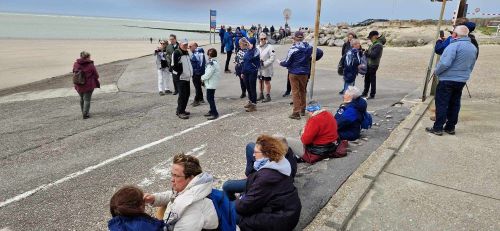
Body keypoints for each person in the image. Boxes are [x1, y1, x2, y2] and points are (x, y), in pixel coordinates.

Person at [234, 135, 301, 231]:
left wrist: (237, 201)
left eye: (256, 152)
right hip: (288, 212)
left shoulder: (266, 177)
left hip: (282, 219)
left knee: (230, 211)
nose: (253, 155)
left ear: (266, 154)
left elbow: (244, 206)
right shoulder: (280, 162)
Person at [144, 153, 218, 230]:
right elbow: (174, 195)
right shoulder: (189, 189)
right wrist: (154, 198)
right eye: (172, 174)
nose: (172, 179)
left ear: (191, 178)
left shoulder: (193, 206)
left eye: (177, 176)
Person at [426, 25, 477, 136]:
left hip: (447, 80)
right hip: (461, 81)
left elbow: (445, 63)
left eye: (453, 33)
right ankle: (450, 127)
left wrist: (436, 71)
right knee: (455, 104)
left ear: (455, 35)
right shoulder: (473, 47)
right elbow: (472, 65)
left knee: (442, 104)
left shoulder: (453, 46)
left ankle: (438, 128)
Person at [222, 135, 297, 201]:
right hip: (265, 173)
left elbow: (245, 205)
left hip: (259, 180)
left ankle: (231, 205)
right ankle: (248, 173)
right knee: (250, 146)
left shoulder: (270, 173)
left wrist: (241, 200)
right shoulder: (285, 155)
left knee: (227, 186)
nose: (254, 155)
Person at [279, 31, 323, 120]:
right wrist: (312, 58)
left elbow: (287, 62)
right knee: (303, 91)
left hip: (294, 73)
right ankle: (302, 109)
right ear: (302, 38)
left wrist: (280, 63)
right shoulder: (308, 47)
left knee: (295, 92)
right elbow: (320, 52)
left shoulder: (293, 49)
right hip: (304, 72)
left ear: (295, 38)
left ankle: (296, 112)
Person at [73, 51, 100, 119]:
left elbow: (74, 71)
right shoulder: (90, 65)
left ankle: (83, 112)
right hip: (88, 85)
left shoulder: (76, 64)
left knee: (82, 98)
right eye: (89, 56)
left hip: (78, 84)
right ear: (87, 57)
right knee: (87, 99)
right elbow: (96, 75)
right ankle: (85, 114)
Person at [171, 40, 193, 119]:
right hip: (180, 78)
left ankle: (182, 110)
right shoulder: (176, 53)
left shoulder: (186, 52)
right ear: (180, 45)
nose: (185, 46)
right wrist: (181, 73)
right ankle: (180, 112)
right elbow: (173, 65)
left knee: (187, 94)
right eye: (183, 45)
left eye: (186, 44)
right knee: (182, 95)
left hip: (186, 77)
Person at [362, 30, 384, 99]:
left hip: (373, 65)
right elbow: (371, 53)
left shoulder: (378, 45)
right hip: (369, 64)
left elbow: (374, 55)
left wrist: (366, 53)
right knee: (367, 79)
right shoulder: (374, 44)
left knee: (372, 80)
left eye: (371, 38)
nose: (370, 39)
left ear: (375, 36)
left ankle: (372, 94)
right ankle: (365, 93)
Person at [242, 37, 261, 112]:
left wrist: (250, 49)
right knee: (248, 87)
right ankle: (250, 101)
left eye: (249, 43)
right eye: (247, 43)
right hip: (246, 71)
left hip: (252, 72)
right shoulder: (247, 50)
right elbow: (244, 62)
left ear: (253, 44)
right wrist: (243, 72)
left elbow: (250, 58)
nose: (248, 44)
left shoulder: (256, 51)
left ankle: (254, 105)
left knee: (252, 88)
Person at [201, 48, 221, 120]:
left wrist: (202, 78)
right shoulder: (214, 61)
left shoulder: (212, 63)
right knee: (210, 97)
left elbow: (208, 74)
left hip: (211, 83)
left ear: (209, 55)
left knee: (210, 98)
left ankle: (215, 113)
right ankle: (211, 110)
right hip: (212, 82)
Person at [257, 33, 276, 103]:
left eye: (265, 38)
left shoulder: (270, 47)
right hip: (259, 68)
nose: (263, 40)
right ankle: (261, 94)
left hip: (267, 68)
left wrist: (264, 63)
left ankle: (268, 95)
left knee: (267, 81)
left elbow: (272, 58)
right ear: (259, 39)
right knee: (260, 81)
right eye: (262, 39)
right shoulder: (257, 47)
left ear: (266, 39)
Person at [188, 42, 206, 107]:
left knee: (197, 87)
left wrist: (197, 72)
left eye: (190, 46)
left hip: (197, 73)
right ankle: (201, 99)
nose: (189, 48)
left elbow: (200, 64)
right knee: (198, 86)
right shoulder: (198, 53)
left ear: (195, 46)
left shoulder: (197, 54)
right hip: (197, 72)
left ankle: (197, 100)